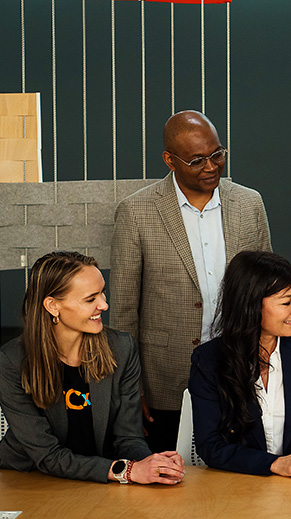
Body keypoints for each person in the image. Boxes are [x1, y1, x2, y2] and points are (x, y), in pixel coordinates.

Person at [110, 110, 272, 452]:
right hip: (163, 378)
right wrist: (129, 387)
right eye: (197, 160)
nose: (211, 167)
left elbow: (266, 292)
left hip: (238, 373)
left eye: (217, 155)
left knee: (237, 475)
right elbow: (124, 310)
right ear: (170, 160)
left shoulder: (248, 203)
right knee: (168, 479)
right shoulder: (136, 212)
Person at [0, 251, 185, 484]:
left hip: (102, 478)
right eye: (90, 299)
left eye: (102, 292)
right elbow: (47, 455)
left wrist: (154, 466)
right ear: (53, 306)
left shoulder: (121, 348)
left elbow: (128, 438)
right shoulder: (10, 362)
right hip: (30, 479)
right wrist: (128, 470)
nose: (104, 304)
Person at [189, 251, 291, 476]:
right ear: (251, 304)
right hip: (239, 487)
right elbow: (211, 446)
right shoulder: (208, 361)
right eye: (286, 302)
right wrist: (273, 464)